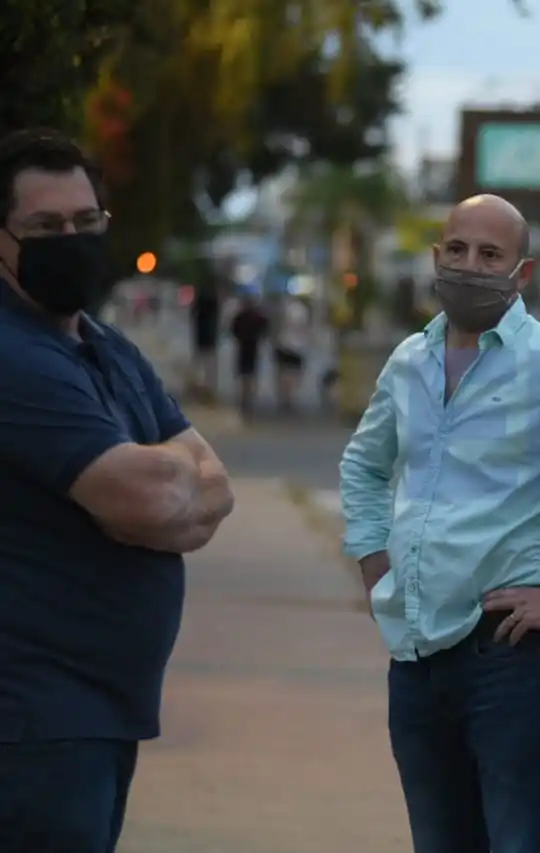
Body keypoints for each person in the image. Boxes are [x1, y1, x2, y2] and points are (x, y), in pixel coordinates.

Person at [338, 193, 540, 853]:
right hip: (416, 657)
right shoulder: (409, 361)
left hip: (506, 656)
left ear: (523, 273)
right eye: (457, 250)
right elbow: (364, 467)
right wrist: (374, 564)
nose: (470, 266)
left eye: (490, 255)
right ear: (436, 256)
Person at [0, 128, 235, 852]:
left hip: (98, 712)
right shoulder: (14, 355)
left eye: (85, 222)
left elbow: (212, 485)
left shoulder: (103, 344)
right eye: (44, 227)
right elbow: (153, 496)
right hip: (33, 720)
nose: (70, 240)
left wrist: (159, 483)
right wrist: (158, 482)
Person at [229, 289, 269, 417]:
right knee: (251, 374)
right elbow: (265, 329)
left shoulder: (240, 317)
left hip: (242, 348)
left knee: (243, 375)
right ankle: (249, 398)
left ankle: (244, 398)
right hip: (253, 347)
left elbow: (233, 330)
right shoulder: (258, 317)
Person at [272, 295, 310, 413]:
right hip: (298, 346)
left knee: (283, 372)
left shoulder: (284, 309)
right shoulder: (303, 310)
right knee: (294, 374)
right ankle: (290, 398)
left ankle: (284, 397)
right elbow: (305, 328)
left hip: (283, 344)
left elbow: (277, 326)